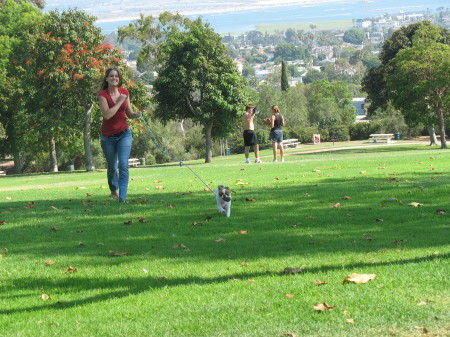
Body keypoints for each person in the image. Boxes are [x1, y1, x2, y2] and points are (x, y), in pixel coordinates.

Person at [98, 67, 142, 202]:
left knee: (123, 164)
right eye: (111, 76)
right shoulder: (102, 95)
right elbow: (107, 115)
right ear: (106, 79)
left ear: (119, 78)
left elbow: (129, 113)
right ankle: (113, 190)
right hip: (107, 137)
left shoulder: (124, 92)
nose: (114, 78)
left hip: (124, 134)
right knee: (112, 167)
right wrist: (119, 102)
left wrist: (135, 115)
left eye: (116, 76)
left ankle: (122, 197)